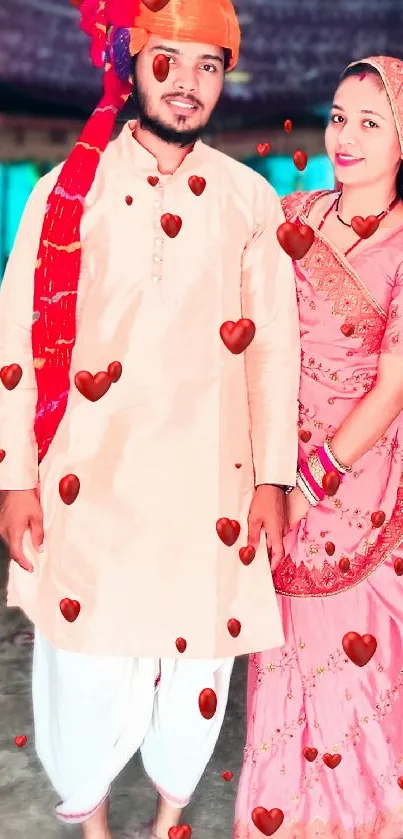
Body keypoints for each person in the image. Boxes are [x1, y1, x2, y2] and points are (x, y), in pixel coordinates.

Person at [0, 1, 301, 837]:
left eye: (208, 66)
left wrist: (274, 478)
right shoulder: (70, 190)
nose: (187, 84)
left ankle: (174, 809)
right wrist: (14, 476)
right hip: (92, 479)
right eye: (168, 61)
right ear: (132, 65)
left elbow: (274, 349)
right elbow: (16, 336)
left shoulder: (249, 200)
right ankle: (93, 823)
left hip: (210, 479)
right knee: (86, 666)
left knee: (195, 659)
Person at [234, 54, 403, 839]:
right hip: (272, 481)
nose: (345, 135)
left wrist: (306, 484)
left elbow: (393, 386)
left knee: (355, 695)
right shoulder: (292, 213)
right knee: (280, 684)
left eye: (370, 122)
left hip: (360, 497)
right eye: (338, 116)